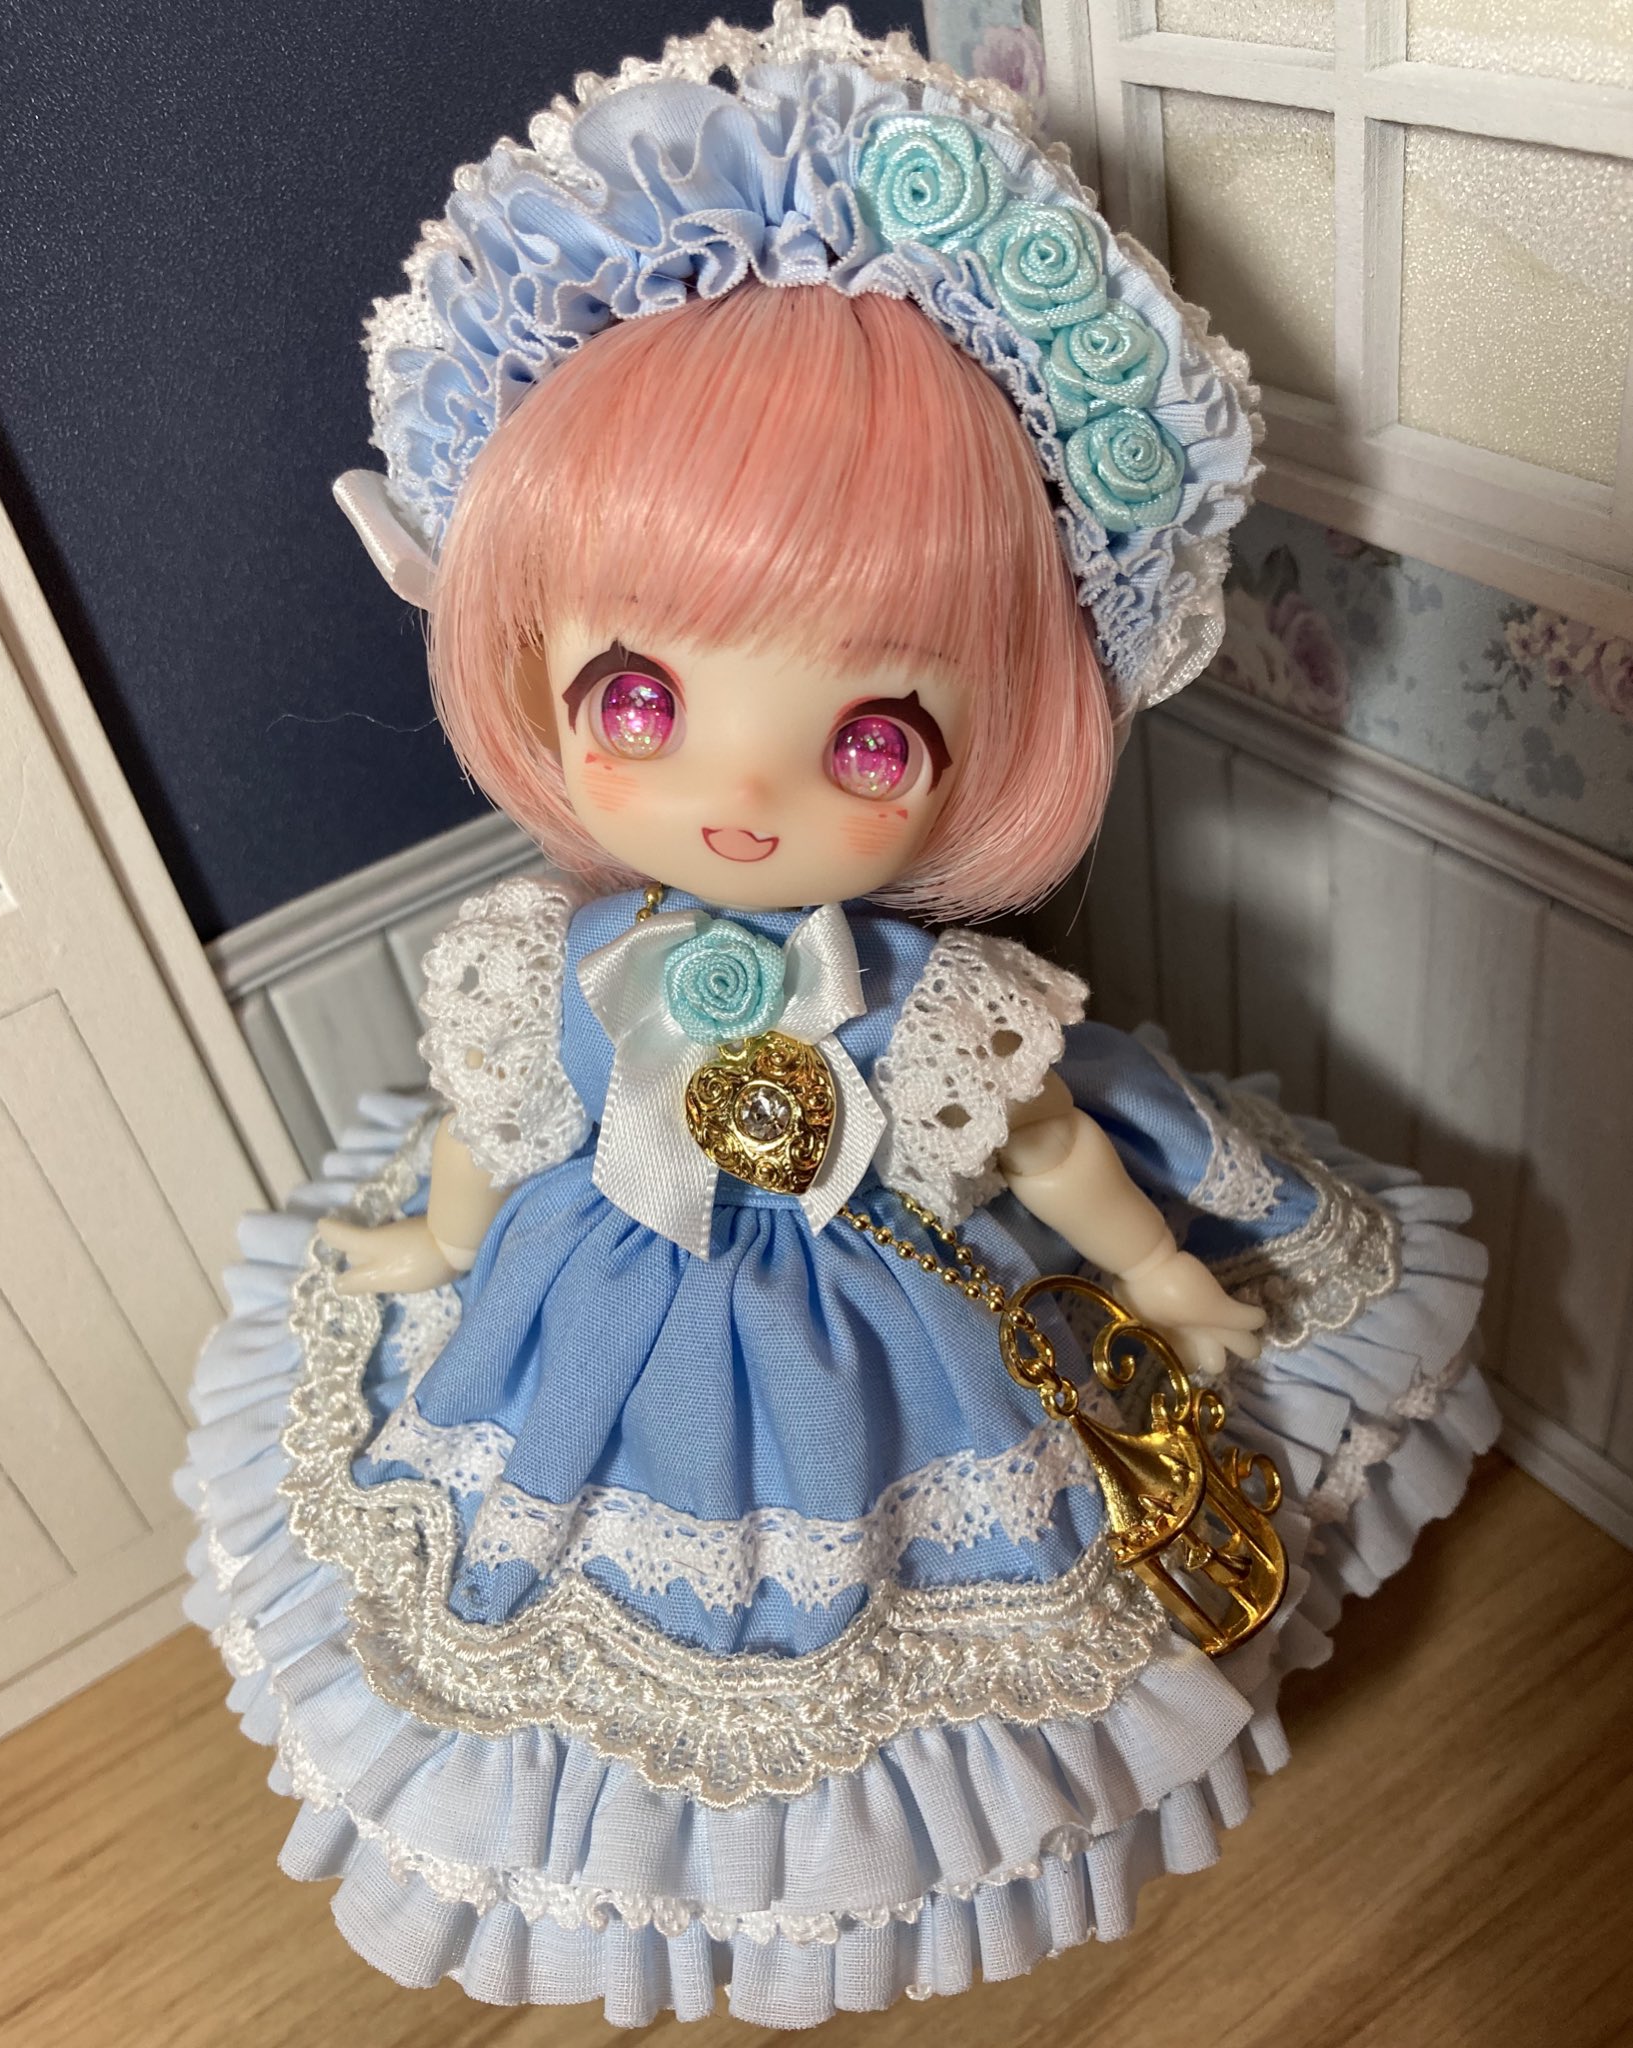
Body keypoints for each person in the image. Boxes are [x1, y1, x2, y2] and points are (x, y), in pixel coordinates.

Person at [179, 6, 1497, 2024]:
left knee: (908, 1651)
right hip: (592, 1322)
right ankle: (694, 1895)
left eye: (872, 733)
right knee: (578, 1643)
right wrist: (441, 1236)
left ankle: (840, 1901)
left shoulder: (932, 1004)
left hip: (885, 1347)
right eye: (637, 696)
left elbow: (1049, 1142)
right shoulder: (552, 959)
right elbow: (494, 1115)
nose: (741, 789)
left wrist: (1163, 1272)